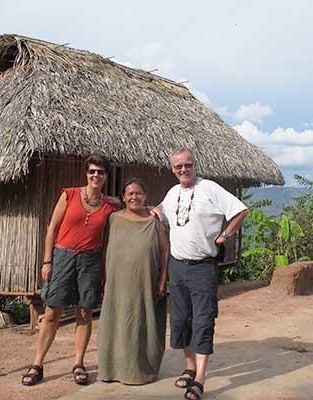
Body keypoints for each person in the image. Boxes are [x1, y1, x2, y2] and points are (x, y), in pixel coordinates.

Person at [155, 148, 248, 400]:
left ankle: (199, 380)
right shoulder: (173, 193)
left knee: (203, 320)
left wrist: (225, 235)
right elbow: (159, 213)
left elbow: (241, 210)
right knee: (181, 319)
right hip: (177, 265)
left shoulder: (211, 189)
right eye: (178, 167)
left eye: (187, 165)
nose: (183, 170)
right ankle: (189, 366)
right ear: (173, 169)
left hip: (202, 267)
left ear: (196, 165)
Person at [21, 154, 117, 386]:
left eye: (101, 172)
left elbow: (134, 206)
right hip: (63, 256)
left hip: (91, 260)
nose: (96, 175)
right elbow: (52, 228)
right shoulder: (69, 194)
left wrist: (152, 209)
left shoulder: (109, 205)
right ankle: (37, 364)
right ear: (86, 173)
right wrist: (47, 261)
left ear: (106, 176)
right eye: (92, 171)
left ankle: (78, 363)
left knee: (84, 312)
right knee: (52, 311)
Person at [98, 178, 169, 385]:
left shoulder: (154, 222)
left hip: (145, 282)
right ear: (123, 198)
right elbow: (104, 250)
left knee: (141, 323)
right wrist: (104, 277)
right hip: (117, 283)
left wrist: (163, 279)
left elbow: (165, 251)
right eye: (130, 194)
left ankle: (139, 371)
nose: (134, 197)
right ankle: (111, 370)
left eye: (138, 193)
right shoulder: (113, 220)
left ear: (145, 196)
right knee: (116, 322)